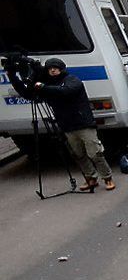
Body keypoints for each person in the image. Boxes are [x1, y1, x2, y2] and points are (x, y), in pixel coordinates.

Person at [8, 56, 115, 191]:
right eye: (50, 69)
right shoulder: (47, 86)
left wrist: (44, 87)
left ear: (61, 69)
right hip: (66, 126)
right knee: (78, 154)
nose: (52, 71)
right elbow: (27, 94)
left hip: (83, 123)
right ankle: (91, 178)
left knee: (95, 153)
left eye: (55, 68)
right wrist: (12, 76)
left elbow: (66, 92)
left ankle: (107, 178)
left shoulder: (72, 80)